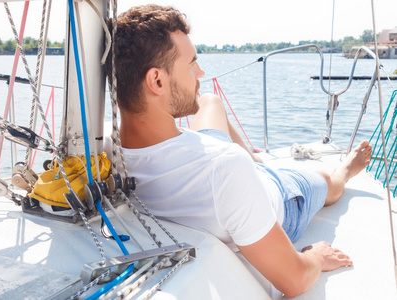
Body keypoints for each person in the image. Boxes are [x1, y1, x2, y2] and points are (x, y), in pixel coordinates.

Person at [106, 4, 372, 298]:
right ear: (157, 81)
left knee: (210, 101)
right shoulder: (224, 168)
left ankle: (256, 161)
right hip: (281, 195)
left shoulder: (102, 148)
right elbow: (294, 280)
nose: (200, 71)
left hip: (224, 163)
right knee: (328, 183)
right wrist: (318, 257)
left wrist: (247, 164)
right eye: (191, 63)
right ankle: (344, 171)